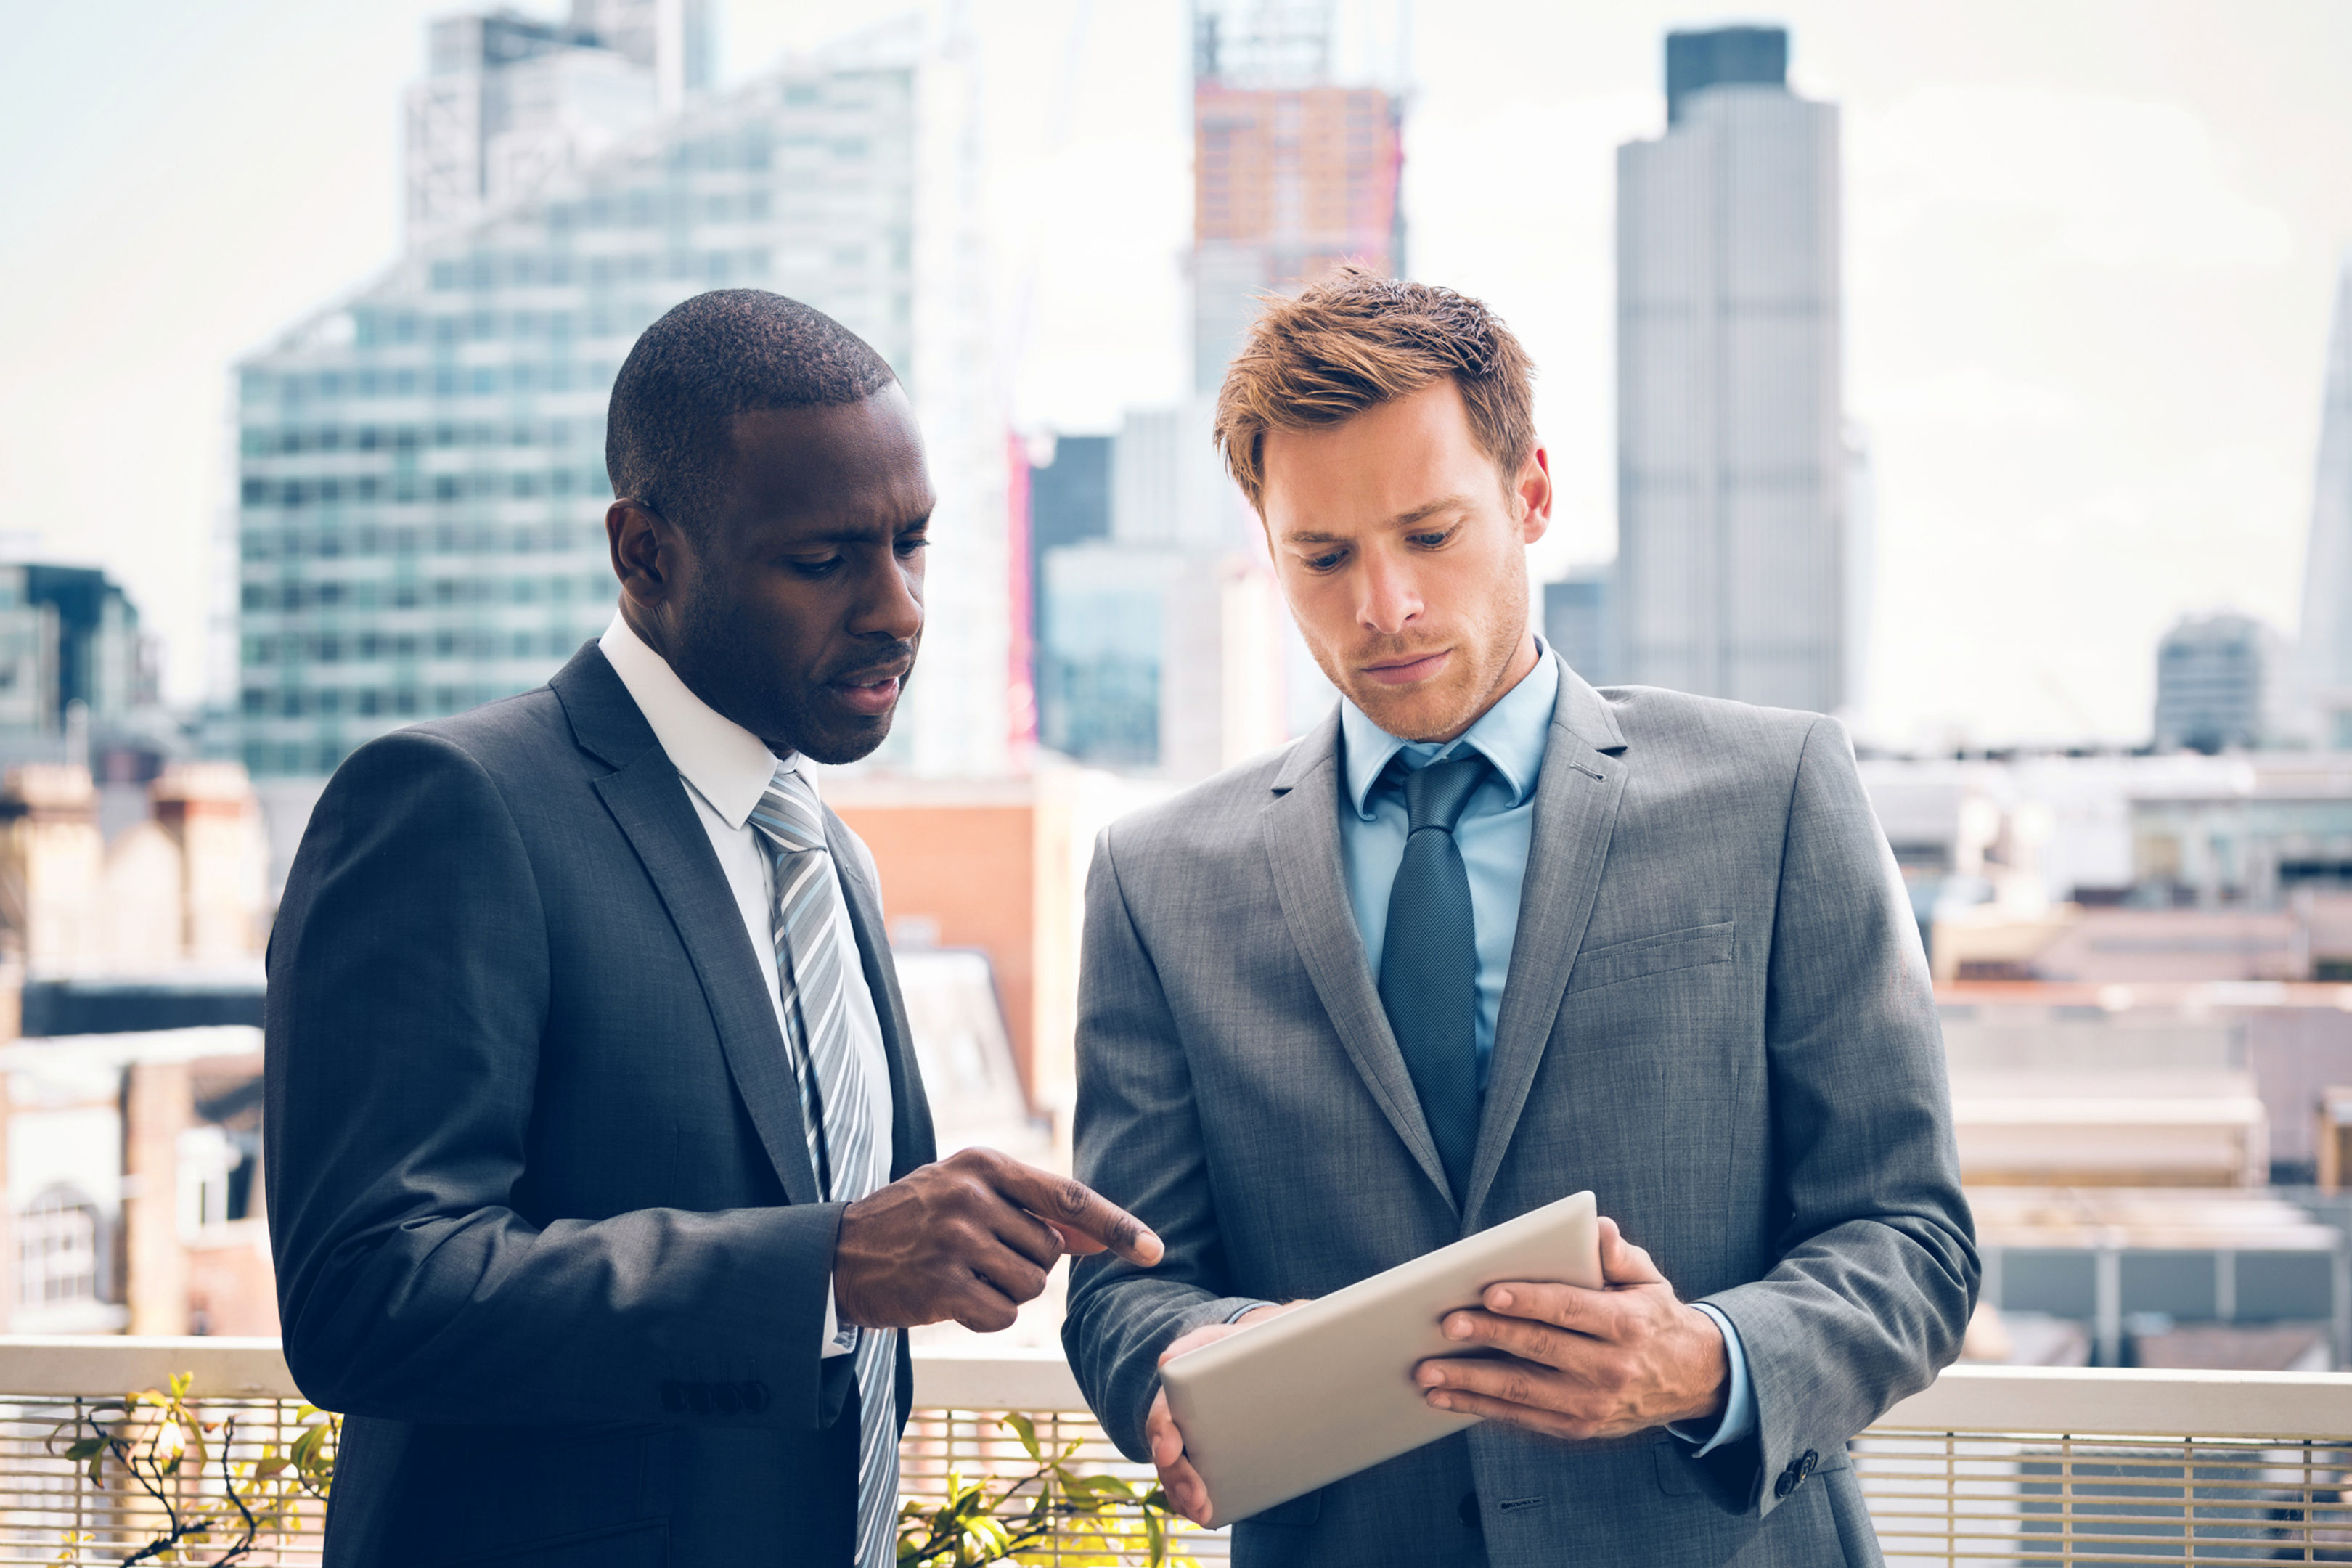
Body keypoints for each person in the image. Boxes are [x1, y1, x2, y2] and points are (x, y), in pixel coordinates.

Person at [1061, 270, 1975, 1567]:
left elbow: (1915, 1239)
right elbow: (1124, 1277)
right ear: (1269, 547)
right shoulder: (1158, 880)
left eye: (1430, 534)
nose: (1385, 606)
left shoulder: (1775, 795)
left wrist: (1707, 1362)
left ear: (1531, 495)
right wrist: (1183, 1357)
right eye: (1323, 556)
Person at [266, 289, 1160, 1567]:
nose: (898, 608)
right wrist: (831, 1265)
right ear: (645, 553)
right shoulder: (453, 806)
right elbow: (369, 1295)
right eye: (824, 559)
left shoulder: (828, 853)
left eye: (913, 544)